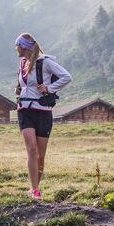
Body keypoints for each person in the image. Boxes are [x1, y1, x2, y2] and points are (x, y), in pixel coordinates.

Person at [15, 33, 71, 200]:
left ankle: (35, 187)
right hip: (25, 110)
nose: (15, 48)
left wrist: (49, 88)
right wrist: (19, 89)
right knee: (31, 149)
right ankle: (34, 190)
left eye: (17, 45)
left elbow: (67, 77)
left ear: (23, 46)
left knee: (40, 155)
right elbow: (25, 84)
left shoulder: (45, 62)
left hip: (43, 112)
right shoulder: (22, 63)